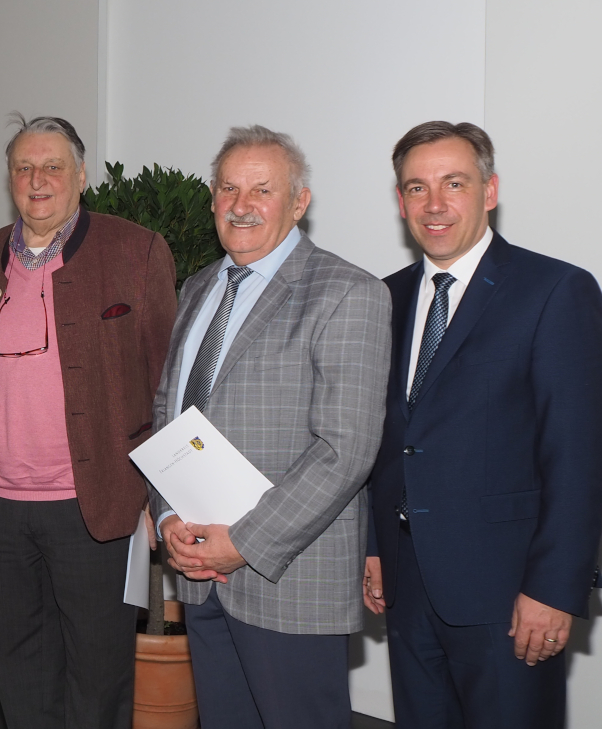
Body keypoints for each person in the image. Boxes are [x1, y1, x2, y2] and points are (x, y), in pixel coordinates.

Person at [362, 121, 602, 728]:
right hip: (407, 585)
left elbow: (577, 455)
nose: (435, 204)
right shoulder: (381, 299)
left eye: (454, 183)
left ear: (490, 191)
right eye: (416, 188)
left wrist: (553, 589)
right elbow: (388, 439)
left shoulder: (554, 290)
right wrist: (371, 548)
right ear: (400, 202)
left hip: (510, 595)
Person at [151, 125, 392, 729]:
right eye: (229, 188)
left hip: (289, 578)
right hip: (199, 572)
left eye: (262, 189)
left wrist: (244, 543)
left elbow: (347, 449)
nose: (241, 204)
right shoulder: (198, 287)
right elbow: (168, 414)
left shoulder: (348, 292)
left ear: (299, 202)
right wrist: (167, 516)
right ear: (212, 200)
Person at [0, 114, 176, 729]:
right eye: (24, 168)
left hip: (93, 503)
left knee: (97, 673)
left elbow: (165, 381)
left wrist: (159, 497)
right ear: (9, 179)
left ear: (81, 175)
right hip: (2, 507)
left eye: (52, 167)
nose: (37, 180)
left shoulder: (136, 250)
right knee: (18, 664)